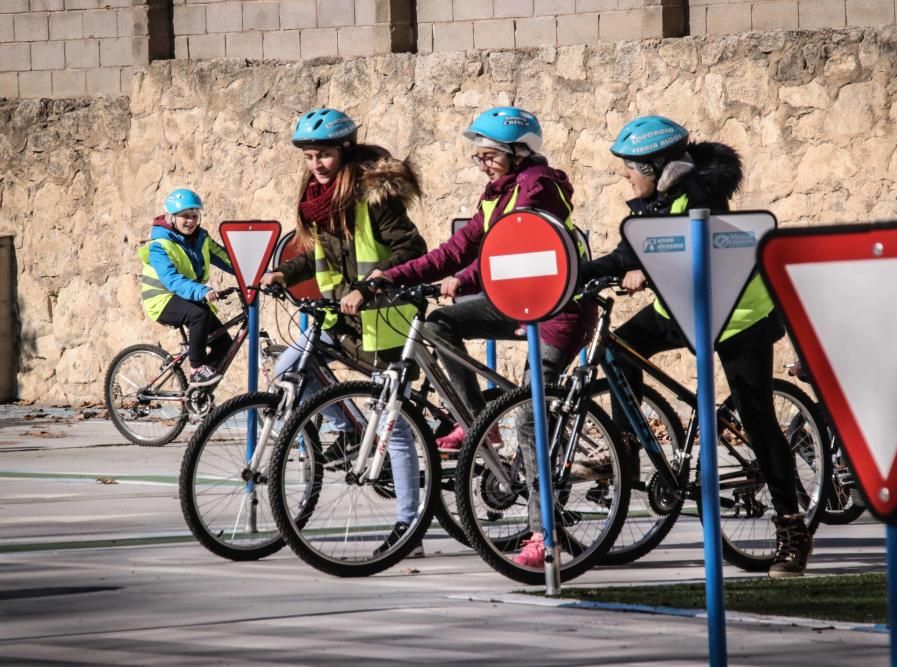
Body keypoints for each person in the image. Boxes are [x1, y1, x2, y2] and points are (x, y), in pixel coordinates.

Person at [578, 115, 812, 578]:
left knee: (757, 415)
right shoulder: (661, 202)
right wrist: (575, 274)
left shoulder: (702, 199)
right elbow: (628, 254)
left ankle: (791, 528)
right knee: (621, 348)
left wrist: (651, 268)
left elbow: (686, 249)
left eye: (630, 167)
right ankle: (627, 446)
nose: (625, 175)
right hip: (680, 310)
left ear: (658, 167)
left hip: (738, 317)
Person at [370, 106, 595, 568]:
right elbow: (455, 250)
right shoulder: (496, 195)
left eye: (490, 155)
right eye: (479, 157)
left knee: (532, 419)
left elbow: (516, 255)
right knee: (439, 323)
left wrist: (464, 280)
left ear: (518, 152)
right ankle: (481, 424)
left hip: (559, 309)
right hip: (516, 301)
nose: (484, 163)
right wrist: (392, 276)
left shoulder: (538, 188)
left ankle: (543, 533)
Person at [259, 107, 428, 556]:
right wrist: (285, 273)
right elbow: (321, 254)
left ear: (345, 151)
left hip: (385, 318)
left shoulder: (374, 195)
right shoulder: (319, 199)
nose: (316, 164)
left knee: (394, 425)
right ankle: (351, 431)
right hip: (342, 318)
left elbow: (412, 248)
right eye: (310, 156)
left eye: (325, 155)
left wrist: (369, 286)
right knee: (290, 364)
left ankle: (409, 525)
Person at [139, 188, 235, 388]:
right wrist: (202, 291)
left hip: (188, 296)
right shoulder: (160, 245)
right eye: (184, 216)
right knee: (199, 314)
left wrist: (262, 274)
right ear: (171, 217)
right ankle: (197, 368)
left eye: (194, 216)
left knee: (225, 343)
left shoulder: (202, 239)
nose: (190, 221)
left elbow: (228, 259)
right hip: (162, 300)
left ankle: (199, 395)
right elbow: (172, 280)